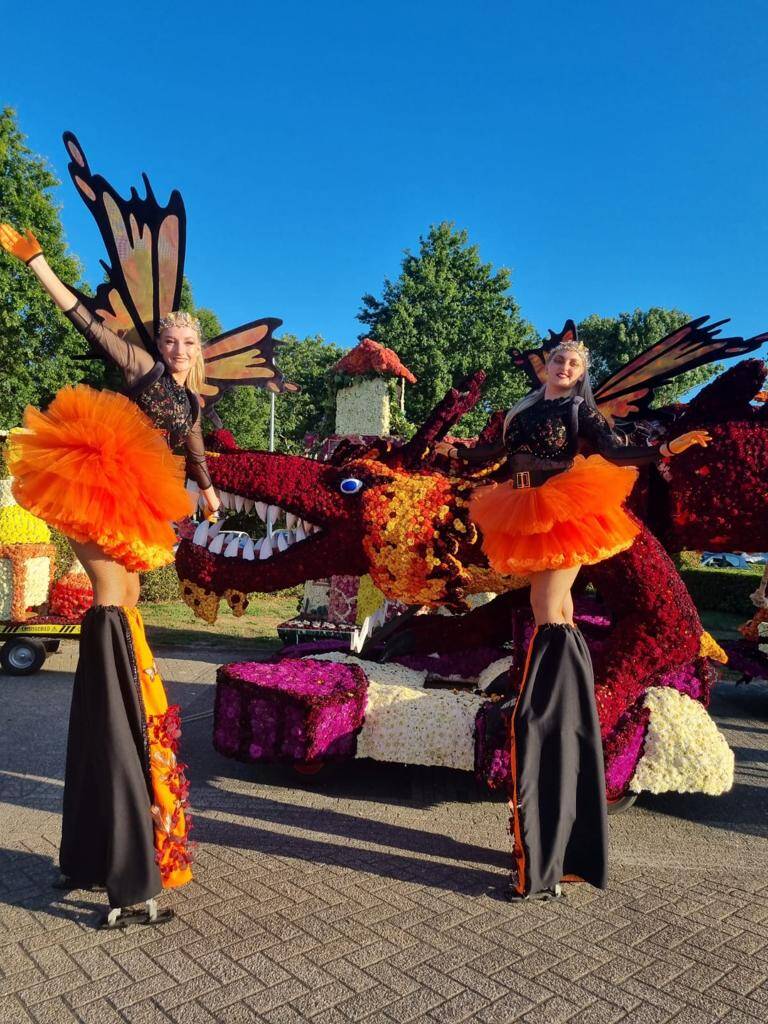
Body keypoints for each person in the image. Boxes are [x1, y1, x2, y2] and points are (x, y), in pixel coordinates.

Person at [0, 222, 221, 927]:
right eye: (170, 340)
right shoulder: (142, 370)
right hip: (100, 479)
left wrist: (209, 489)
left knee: (124, 601)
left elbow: (192, 446)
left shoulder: (189, 400)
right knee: (109, 598)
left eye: (187, 343)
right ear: (160, 347)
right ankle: (118, 715)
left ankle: (124, 708)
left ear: (199, 352)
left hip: (145, 499)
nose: (177, 350)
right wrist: (38, 264)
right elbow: (86, 322)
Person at [447, 336, 709, 901]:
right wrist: (452, 455)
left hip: (564, 503)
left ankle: (555, 667)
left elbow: (613, 454)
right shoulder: (522, 409)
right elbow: (494, 455)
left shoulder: (577, 409)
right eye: (560, 360)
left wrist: (665, 450)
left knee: (550, 604)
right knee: (549, 603)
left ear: (581, 373)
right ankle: (556, 657)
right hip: (520, 499)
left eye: (575, 364)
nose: (565, 368)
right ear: (546, 365)